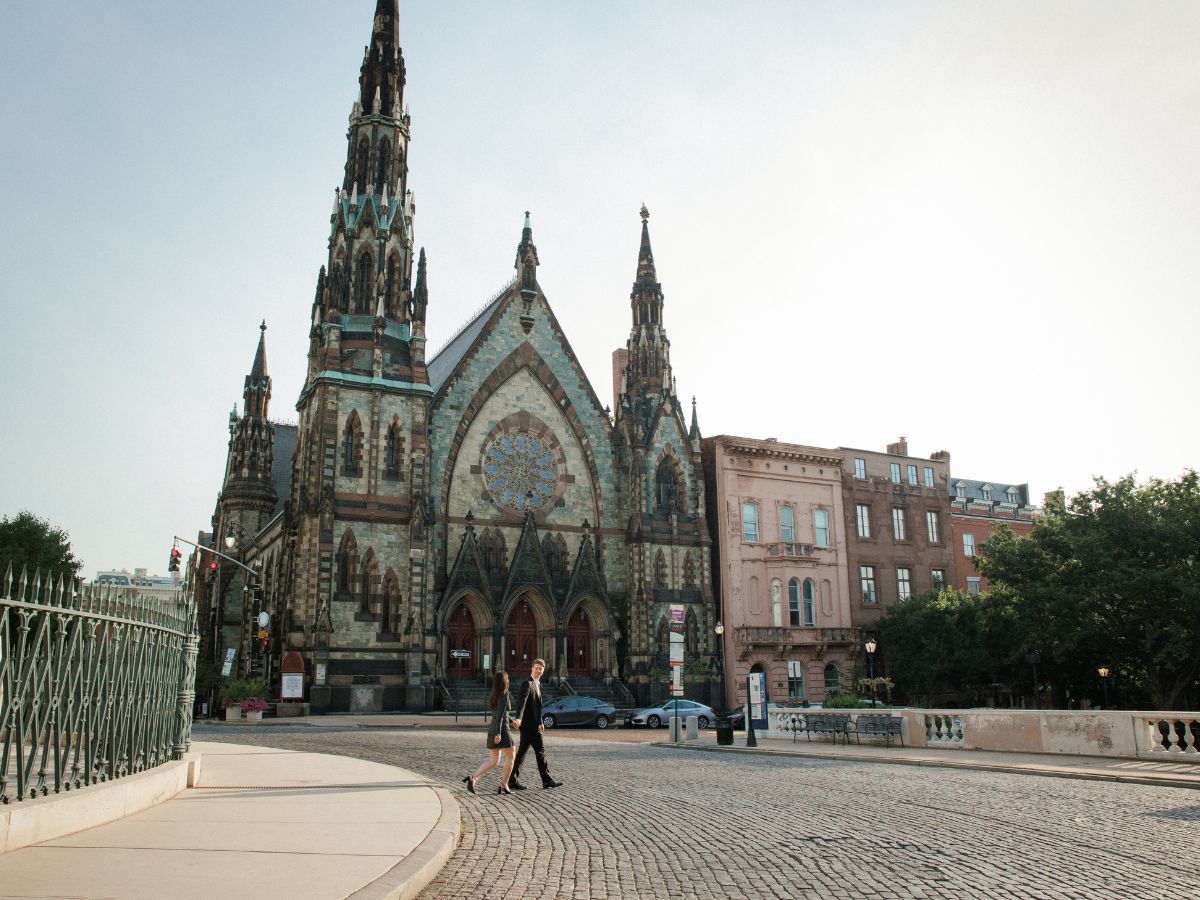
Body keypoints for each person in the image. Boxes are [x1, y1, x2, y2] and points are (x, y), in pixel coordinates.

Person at [508, 658, 563, 790]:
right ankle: (547, 780)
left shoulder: (538, 684)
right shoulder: (527, 684)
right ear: (532, 668)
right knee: (540, 751)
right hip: (530, 726)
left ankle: (511, 780)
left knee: (522, 753)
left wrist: (541, 722)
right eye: (536, 668)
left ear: (543, 671)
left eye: (541, 669)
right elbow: (521, 703)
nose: (538, 670)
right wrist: (518, 719)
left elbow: (537, 707)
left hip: (533, 724)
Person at [464, 671, 517, 795]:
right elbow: (499, 714)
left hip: (493, 727)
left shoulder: (493, 694)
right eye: (507, 678)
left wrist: (511, 721)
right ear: (504, 681)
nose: (509, 680)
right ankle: (504, 784)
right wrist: (499, 733)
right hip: (502, 729)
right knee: (511, 756)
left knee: (494, 761)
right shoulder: (505, 693)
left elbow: (500, 713)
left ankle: (474, 778)